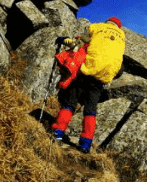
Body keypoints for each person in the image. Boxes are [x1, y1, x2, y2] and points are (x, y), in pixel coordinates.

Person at [51, 17, 126, 153]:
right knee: (91, 110)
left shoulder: (98, 28)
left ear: (107, 23)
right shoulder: (121, 39)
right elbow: (119, 67)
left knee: (70, 102)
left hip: (86, 72)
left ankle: (57, 131)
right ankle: (85, 144)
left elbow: (77, 43)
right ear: (118, 27)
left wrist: (63, 39)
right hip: (101, 78)